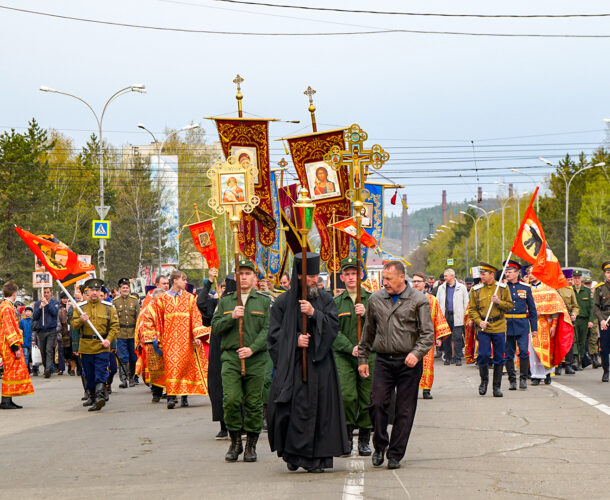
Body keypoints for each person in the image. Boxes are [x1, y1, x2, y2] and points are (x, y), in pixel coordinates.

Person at [267, 252, 349, 473]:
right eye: (310, 276)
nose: (315, 280)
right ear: (299, 276)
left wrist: (314, 314)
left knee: (321, 412)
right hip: (294, 366)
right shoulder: (282, 302)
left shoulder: (325, 300)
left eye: (316, 275)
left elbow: (333, 328)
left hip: (321, 365)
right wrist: (294, 341)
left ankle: (318, 458)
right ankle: (294, 455)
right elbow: (273, 337)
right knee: (293, 411)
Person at [358, 261, 434, 470]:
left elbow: (428, 334)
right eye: (383, 279)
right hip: (383, 360)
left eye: (389, 279)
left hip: (408, 363)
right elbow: (368, 331)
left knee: (404, 410)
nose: (385, 283)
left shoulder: (418, 300)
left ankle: (395, 454)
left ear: (402, 277)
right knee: (377, 404)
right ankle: (380, 445)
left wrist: (416, 353)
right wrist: (363, 359)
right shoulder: (376, 299)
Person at [211, 260, 271, 462]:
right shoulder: (227, 301)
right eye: (240, 273)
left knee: (254, 403)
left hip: (256, 358)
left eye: (247, 273)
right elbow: (216, 327)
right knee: (231, 400)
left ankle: (251, 446)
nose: (244, 277)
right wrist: (232, 318)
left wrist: (252, 349)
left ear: (254, 277)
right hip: (231, 357)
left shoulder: (263, 301)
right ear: (235, 278)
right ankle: (235, 441)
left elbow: (268, 329)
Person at [333, 257, 373, 456]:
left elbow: (383, 328)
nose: (350, 277)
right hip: (345, 356)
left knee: (367, 398)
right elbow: (333, 332)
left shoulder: (373, 300)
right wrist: (350, 348)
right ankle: (347, 436)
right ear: (341, 277)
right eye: (347, 274)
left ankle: (365, 438)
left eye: (354, 273)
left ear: (360, 276)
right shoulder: (336, 303)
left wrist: (366, 314)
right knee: (347, 396)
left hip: (368, 356)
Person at [154, 270, 209, 408]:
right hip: (170, 340)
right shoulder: (162, 299)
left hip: (186, 339)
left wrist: (196, 336)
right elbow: (159, 321)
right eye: (183, 279)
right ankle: (171, 398)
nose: (186, 282)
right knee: (172, 367)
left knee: (185, 367)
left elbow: (195, 318)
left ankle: (184, 397)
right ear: (175, 281)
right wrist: (160, 338)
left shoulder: (190, 298)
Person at [69, 278, 119, 411]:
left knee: (101, 371)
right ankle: (92, 394)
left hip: (102, 346)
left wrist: (109, 339)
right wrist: (81, 319)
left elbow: (115, 327)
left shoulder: (109, 308)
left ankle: (99, 397)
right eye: (92, 290)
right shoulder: (80, 308)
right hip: (86, 346)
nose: (95, 293)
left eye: (97, 290)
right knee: (89, 374)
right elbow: (73, 325)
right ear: (87, 291)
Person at [467, 262, 514, 398]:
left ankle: (497, 387)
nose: (481, 276)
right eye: (481, 274)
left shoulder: (502, 288)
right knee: (483, 355)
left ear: (492, 275)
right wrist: (479, 321)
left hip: (499, 326)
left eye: (484, 274)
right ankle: (484, 382)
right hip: (484, 327)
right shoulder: (476, 289)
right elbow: (472, 309)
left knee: (499, 357)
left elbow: (510, 306)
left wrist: (499, 302)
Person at [528, 268, 574, 385]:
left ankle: (548, 373)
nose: (530, 275)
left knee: (548, 350)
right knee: (534, 351)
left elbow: (556, 309)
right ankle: (536, 375)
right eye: (529, 273)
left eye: (533, 273)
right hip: (531, 324)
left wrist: (554, 325)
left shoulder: (549, 289)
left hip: (546, 324)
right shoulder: (526, 289)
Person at [411, 272, 451, 400]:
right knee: (412, 363)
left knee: (427, 363)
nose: (416, 283)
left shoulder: (432, 300)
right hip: (411, 338)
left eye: (418, 281)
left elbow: (437, 317)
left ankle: (426, 390)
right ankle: (412, 389)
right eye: (414, 281)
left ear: (424, 284)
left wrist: (438, 337)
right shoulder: (407, 298)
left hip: (427, 337)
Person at [503, 260, 538, 390]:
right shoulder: (502, 288)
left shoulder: (525, 287)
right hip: (506, 324)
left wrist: (534, 328)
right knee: (508, 353)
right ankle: (512, 380)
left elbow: (532, 310)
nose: (507, 274)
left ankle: (523, 378)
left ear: (517, 273)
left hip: (522, 324)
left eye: (510, 272)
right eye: (506, 272)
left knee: (523, 351)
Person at [1, 280, 34, 409]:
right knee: (9, 372)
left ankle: (8, 398)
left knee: (10, 371)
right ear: (14, 293)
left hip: (6, 342)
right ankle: (5, 400)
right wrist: (15, 347)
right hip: (8, 344)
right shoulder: (7, 307)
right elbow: (9, 328)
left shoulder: (5, 305)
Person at [136, 287, 166, 402]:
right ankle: (156, 393)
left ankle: (171, 394)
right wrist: (158, 339)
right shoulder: (148, 310)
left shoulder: (168, 308)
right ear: (153, 299)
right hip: (153, 345)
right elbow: (146, 327)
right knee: (156, 370)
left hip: (168, 343)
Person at [435, 269, 469, 366]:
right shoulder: (441, 288)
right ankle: (448, 357)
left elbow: (466, 302)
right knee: (446, 338)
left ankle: (457, 358)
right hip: (445, 316)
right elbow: (437, 302)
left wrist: (465, 316)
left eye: (446, 276)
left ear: (452, 276)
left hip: (457, 315)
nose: (444, 278)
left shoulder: (461, 288)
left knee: (457, 337)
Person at [113, 278, 141, 388]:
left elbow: (139, 317)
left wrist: (138, 333)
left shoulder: (134, 300)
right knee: (123, 357)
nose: (125, 289)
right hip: (120, 333)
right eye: (123, 287)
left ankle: (132, 378)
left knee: (133, 357)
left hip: (133, 332)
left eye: (127, 287)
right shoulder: (115, 302)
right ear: (119, 289)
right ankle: (124, 379)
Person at [32, 287, 59, 378]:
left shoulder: (55, 303)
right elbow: (35, 316)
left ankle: (48, 369)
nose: (46, 294)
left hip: (51, 330)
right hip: (41, 331)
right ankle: (46, 367)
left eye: (47, 292)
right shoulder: (37, 303)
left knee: (49, 350)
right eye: (44, 292)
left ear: (50, 293)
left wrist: (47, 304)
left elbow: (54, 313)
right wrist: (40, 307)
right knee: (43, 351)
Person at [572, 270, 595, 370]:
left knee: (582, 340)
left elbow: (591, 307)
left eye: (578, 278)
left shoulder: (587, 290)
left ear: (581, 279)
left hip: (584, 319)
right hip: (574, 319)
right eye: (575, 278)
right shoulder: (570, 290)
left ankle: (581, 359)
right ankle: (575, 359)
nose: (577, 280)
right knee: (574, 340)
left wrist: (591, 320)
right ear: (572, 279)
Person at [557, 270, 579, 374]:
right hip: (558, 317)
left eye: (571, 279)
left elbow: (575, 306)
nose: (570, 281)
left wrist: (574, 314)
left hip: (568, 318)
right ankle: (557, 364)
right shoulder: (555, 288)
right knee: (558, 341)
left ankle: (568, 364)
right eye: (568, 279)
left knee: (569, 341)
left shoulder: (570, 290)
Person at [593, 260, 610, 382]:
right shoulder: (600, 288)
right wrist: (602, 320)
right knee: (604, 348)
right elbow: (595, 307)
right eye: (608, 272)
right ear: (605, 274)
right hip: (605, 320)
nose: (609, 274)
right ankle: (606, 371)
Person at [583, 277, 601, 368]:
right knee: (581, 340)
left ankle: (594, 358)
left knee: (593, 338)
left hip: (593, 318)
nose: (588, 285)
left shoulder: (595, 293)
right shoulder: (581, 292)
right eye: (586, 284)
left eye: (589, 284)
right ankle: (579, 360)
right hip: (582, 318)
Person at [18, 306, 34, 374]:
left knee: (33, 355)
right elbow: (20, 329)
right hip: (24, 340)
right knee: (26, 355)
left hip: (32, 340)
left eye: (29, 311)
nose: (28, 313)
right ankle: (26, 369)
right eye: (26, 311)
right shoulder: (22, 321)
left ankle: (35, 369)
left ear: (32, 313)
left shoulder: (33, 320)